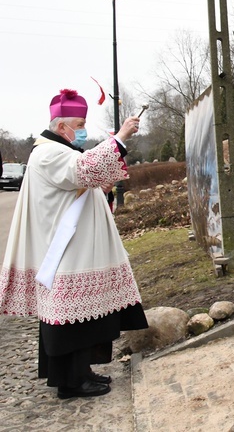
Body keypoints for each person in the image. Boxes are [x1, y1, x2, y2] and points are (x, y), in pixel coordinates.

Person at [0, 89, 148, 399]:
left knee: (83, 320)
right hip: (64, 251)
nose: (82, 130)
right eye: (79, 123)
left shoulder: (60, 149)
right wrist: (119, 137)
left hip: (75, 247)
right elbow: (82, 171)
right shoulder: (48, 152)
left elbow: (81, 180)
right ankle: (71, 381)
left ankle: (83, 372)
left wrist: (101, 186)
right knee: (70, 321)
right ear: (60, 126)